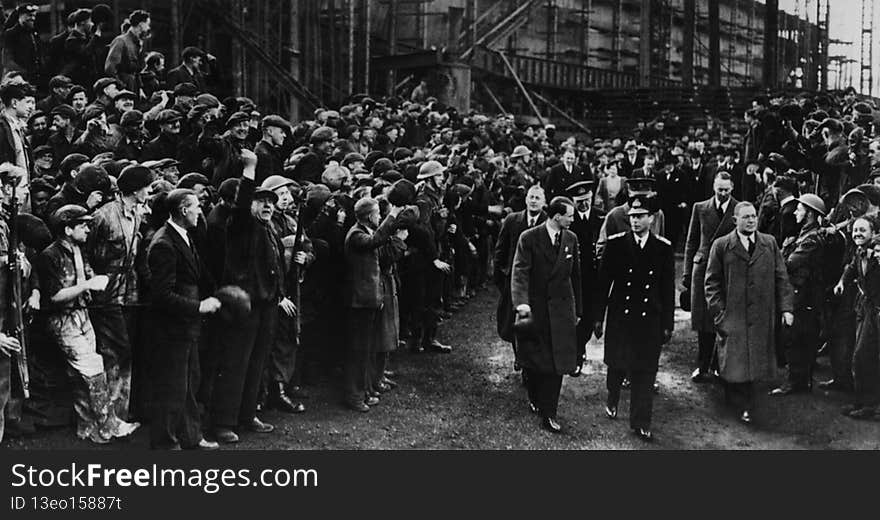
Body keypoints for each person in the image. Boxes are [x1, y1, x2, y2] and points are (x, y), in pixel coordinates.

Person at [36, 205, 140, 444]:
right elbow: (53, 297)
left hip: (82, 315)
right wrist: (87, 286)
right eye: (82, 225)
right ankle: (108, 424)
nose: (88, 230)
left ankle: (88, 427)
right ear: (67, 228)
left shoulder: (78, 249)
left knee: (80, 374)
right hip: (63, 320)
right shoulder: (50, 256)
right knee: (93, 369)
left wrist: (92, 282)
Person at [210, 149, 281, 443]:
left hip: (266, 304)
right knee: (235, 364)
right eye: (262, 202)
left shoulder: (269, 228)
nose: (268, 207)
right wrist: (250, 169)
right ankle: (222, 423)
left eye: (271, 203)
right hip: (244, 305)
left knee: (256, 362)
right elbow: (241, 204)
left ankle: (247, 414)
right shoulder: (242, 226)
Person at [704, 201, 794, 424]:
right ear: (735, 220)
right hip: (733, 314)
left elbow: (782, 277)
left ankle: (749, 405)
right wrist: (720, 313)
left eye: (754, 216)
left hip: (761, 315)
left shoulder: (769, 243)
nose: (751, 220)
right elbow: (711, 283)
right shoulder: (722, 245)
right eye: (746, 217)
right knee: (734, 361)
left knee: (756, 362)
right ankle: (736, 400)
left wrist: (786, 308)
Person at [595, 195, 674, 442]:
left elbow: (667, 288)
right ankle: (613, 395)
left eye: (641, 217)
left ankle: (641, 422)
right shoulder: (616, 244)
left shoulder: (663, 248)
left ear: (651, 218)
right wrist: (598, 317)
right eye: (632, 217)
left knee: (646, 370)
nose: (636, 221)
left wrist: (667, 324)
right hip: (621, 316)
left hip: (649, 318)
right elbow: (602, 283)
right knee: (617, 363)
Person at [145, 189, 220, 450]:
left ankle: (191, 436)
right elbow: (162, 296)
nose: (201, 211)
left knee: (189, 383)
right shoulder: (164, 244)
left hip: (185, 327)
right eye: (197, 207)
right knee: (172, 386)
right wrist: (199, 306)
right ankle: (165, 443)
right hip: (172, 329)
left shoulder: (185, 237)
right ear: (183, 210)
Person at [86, 165, 153, 421]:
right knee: (115, 351)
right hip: (106, 295)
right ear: (136, 190)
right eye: (146, 186)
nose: (149, 191)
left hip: (130, 293)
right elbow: (86, 253)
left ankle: (121, 414)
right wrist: (95, 283)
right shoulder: (103, 216)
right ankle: (108, 415)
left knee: (126, 351)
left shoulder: (136, 214)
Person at [511, 196, 581, 433]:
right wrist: (521, 303)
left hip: (561, 310)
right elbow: (520, 272)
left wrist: (577, 309)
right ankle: (534, 396)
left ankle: (549, 412)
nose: (573, 218)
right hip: (536, 309)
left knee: (556, 363)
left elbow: (576, 277)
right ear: (557, 216)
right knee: (533, 360)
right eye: (570, 215)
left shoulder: (571, 239)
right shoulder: (529, 238)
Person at [342, 197, 401, 411]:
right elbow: (376, 240)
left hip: (368, 301)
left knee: (365, 350)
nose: (380, 217)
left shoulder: (363, 232)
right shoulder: (357, 234)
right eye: (378, 214)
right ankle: (354, 396)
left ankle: (363, 390)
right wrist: (393, 216)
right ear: (369, 216)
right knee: (358, 351)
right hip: (359, 303)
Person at [682, 171, 737, 382]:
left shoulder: (739, 209)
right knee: (704, 320)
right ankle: (702, 364)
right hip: (703, 268)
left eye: (726, 190)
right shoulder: (700, 208)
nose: (722, 193)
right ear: (713, 187)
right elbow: (691, 241)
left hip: (728, 269)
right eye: (719, 189)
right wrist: (687, 272)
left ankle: (718, 365)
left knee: (723, 318)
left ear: (732, 188)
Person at [771, 194, 826, 396]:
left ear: (810, 214)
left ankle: (796, 382)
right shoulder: (805, 235)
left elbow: (790, 263)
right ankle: (801, 381)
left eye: (800, 209)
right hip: (803, 293)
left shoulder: (810, 240)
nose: (796, 212)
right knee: (800, 337)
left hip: (805, 295)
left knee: (796, 337)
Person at [493, 184, 546, 370]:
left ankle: (530, 360)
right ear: (525, 199)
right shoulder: (512, 220)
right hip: (514, 282)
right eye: (531, 197)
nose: (533, 201)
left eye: (537, 198)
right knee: (513, 322)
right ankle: (520, 357)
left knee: (536, 323)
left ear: (544, 202)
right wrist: (501, 277)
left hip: (539, 283)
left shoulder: (548, 222)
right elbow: (500, 251)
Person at [834, 218, 880, 419]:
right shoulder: (859, 250)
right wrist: (841, 282)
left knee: (863, 356)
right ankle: (864, 402)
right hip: (865, 308)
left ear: (873, 232)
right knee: (862, 356)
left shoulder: (877, 252)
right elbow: (851, 267)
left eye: (862, 230)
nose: (857, 234)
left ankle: (870, 405)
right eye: (854, 230)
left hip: (877, 309)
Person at [566, 180, 605, 376]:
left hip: (594, 275)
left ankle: (580, 347)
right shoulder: (570, 220)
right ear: (573, 202)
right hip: (574, 274)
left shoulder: (600, 217)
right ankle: (577, 353)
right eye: (579, 201)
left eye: (586, 200)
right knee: (576, 314)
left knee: (589, 315)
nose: (584, 205)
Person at [105, 9, 150, 92]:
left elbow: (137, 71)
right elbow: (110, 69)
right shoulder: (120, 41)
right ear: (141, 25)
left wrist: (140, 88)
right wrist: (121, 87)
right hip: (123, 89)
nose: (148, 28)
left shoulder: (138, 43)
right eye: (147, 24)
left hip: (133, 87)